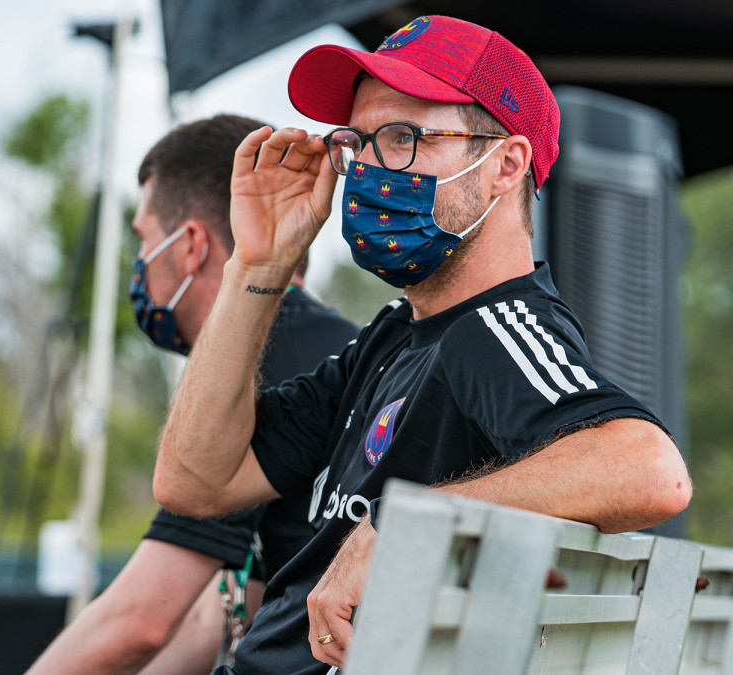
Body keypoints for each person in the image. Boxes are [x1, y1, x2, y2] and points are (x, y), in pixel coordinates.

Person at [150, 16, 692, 674]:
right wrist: (256, 266)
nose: (369, 169)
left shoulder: (497, 327)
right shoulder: (389, 339)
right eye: (360, 142)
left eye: (404, 137)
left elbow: (651, 470)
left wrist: (406, 524)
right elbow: (193, 481)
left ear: (506, 165)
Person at [26, 115, 358, 675]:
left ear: (190, 246)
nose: (140, 264)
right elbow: (208, 623)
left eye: (143, 240)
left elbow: (136, 624)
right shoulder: (324, 342)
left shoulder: (261, 362)